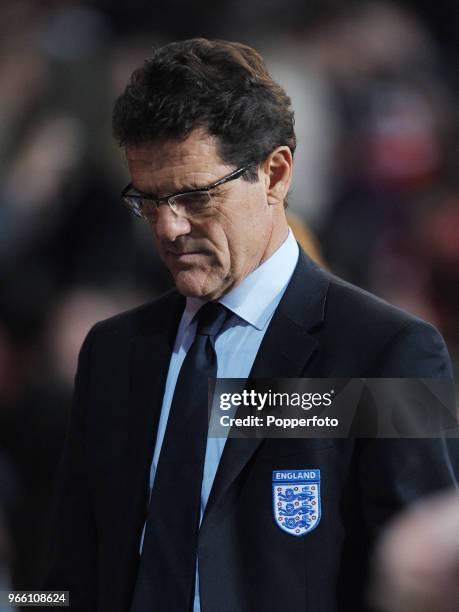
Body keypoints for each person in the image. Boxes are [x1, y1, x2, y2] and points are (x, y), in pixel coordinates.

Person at [44, 38, 457, 612]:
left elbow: (428, 585)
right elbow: (66, 576)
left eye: (194, 197)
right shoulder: (113, 354)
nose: (167, 228)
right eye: (149, 200)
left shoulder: (388, 354)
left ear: (275, 173)